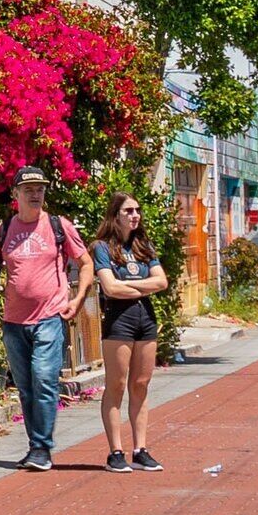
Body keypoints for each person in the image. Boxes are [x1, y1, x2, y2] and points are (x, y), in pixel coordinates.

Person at [0, 164, 86, 472]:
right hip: (14, 322)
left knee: (44, 379)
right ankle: (36, 445)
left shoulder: (59, 226)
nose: (35, 195)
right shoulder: (2, 231)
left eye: (40, 190)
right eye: (29, 190)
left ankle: (41, 447)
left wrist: (78, 299)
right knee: (25, 387)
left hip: (50, 316)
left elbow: (85, 263)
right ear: (15, 194)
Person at [86, 192, 170, 472]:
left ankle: (140, 450)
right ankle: (115, 452)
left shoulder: (143, 245)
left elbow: (162, 282)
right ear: (115, 215)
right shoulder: (101, 247)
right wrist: (143, 286)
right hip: (118, 320)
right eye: (128, 211)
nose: (135, 215)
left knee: (141, 383)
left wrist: (129, 287)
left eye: (137, 210)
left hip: (145, 318)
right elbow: (110, 288)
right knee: (117, 384)